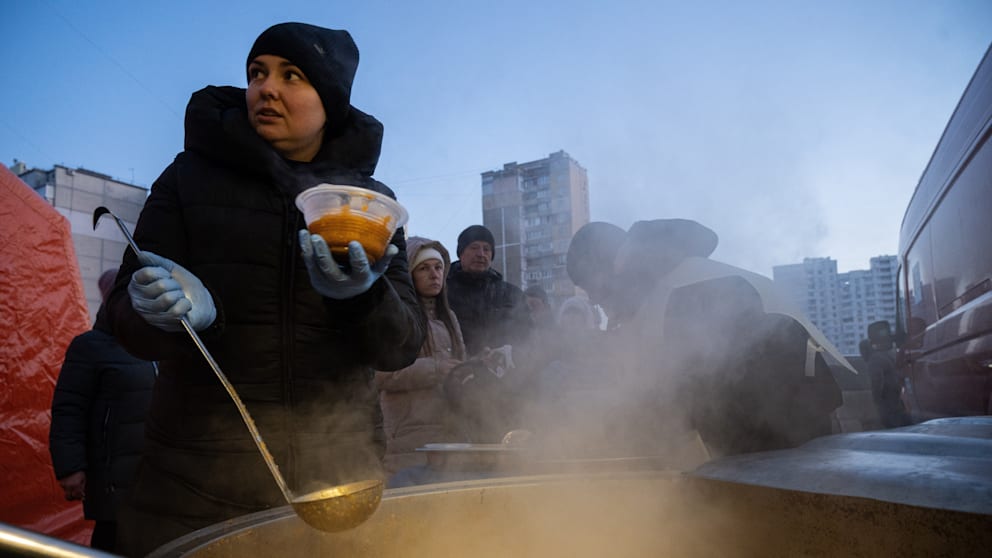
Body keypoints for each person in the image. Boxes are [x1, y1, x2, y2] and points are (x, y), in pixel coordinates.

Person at [104, 22, 425, 555]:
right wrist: (165, 314)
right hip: (194, 485)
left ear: (330, 100)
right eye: (257, 73)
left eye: (291, 75)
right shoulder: (189, 179)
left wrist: (363, 300)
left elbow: (402, 346)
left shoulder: (367, 203)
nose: (265, 88)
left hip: (338, 483)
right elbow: (122, 319)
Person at [563, 219, 844, 459]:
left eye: (591, 287)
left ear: (612, 267)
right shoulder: (666, 284)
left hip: (789, 434)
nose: (595, 300)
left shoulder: (684, 292)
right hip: (773, 432)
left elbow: (686, 398)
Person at [48, 270, 157, 553]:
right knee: (112, 542)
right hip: (112, 476)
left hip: (155, 475)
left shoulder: (157, 348)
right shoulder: (90, 346)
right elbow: (69, 409)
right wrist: (70, 468)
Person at [373, 237, 467, 477]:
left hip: (448, 432)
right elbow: (381, 374)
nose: (434, 274)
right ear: (409, 275)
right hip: (407, 434)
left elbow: (457, 367)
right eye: (424, 268)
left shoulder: (450, 317)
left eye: (438, 267)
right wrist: (435, 369)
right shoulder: (395, 316)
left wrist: (476, 366)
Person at [446, 225, 533, 357]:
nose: (481, 254)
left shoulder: (511, 295)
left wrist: (514, 356)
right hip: (456, 367)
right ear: (461, 253)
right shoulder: (443, 293)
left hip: (505, 368)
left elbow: (529, 338)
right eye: (474, 247)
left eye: (486, 249)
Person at [865, 320, 910, 428]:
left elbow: (877, 384)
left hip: (889, 407)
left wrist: (876, 401)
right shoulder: (896, 355)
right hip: (899, 405)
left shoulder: (875, 360)